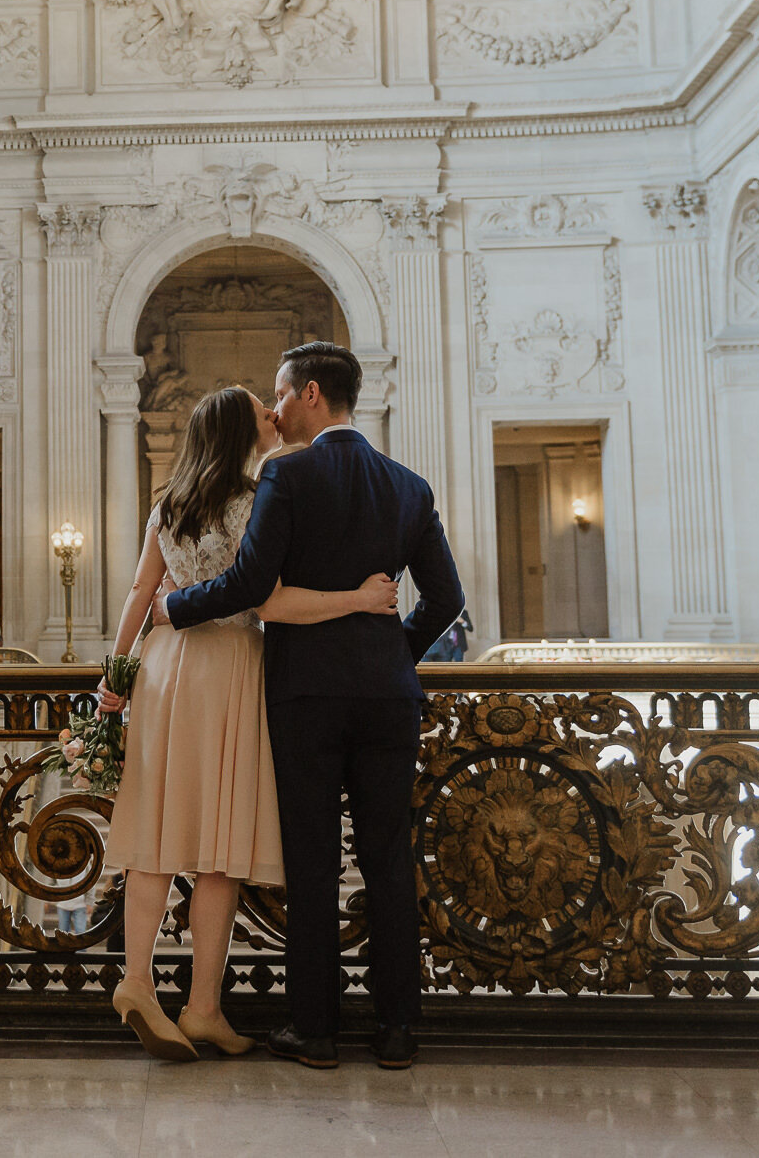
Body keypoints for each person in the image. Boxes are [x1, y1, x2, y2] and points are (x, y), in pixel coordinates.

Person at [153, 342, 464, 1072]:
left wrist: (174, 605)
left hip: (305, 696)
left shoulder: (286, 474)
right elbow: (446, 599)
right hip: (389, 698)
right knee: (390, 861)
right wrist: (393, 652)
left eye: (283, 394)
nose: (277, 407)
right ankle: (396, 1031)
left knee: (315, 862)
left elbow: (252, 584)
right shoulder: (409, 485)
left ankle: (315, 1030)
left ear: (313, 393)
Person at [98, 386, 405, 1063]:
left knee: (156, 830)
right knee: (221, 844)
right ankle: (202, 1002)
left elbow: (139, 591)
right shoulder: (257, 501)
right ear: (244, 430)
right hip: (233, 666)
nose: (276, 419)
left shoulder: (169, 503)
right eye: (264, 416)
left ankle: (138, 980)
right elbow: (272, 603)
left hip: (164, 669)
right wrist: (359, 596)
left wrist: (113, 674)